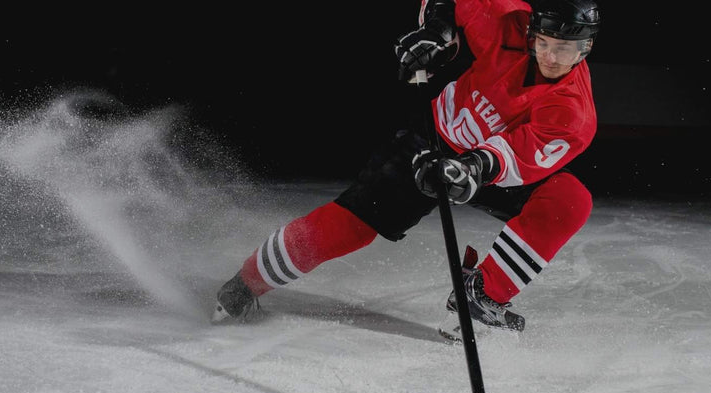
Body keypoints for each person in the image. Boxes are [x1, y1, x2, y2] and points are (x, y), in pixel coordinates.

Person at [211, 0, 600, 342]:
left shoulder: (574, 110)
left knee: (568, 200)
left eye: (563, 50)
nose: (549, 57)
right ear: (532, 32)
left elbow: (521, 154)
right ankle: (243, 286)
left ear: (586, 49)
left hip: (488, 170)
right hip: (429, 146)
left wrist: (471, 168)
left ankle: (482, 294)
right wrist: (436, 31)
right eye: (543, 43)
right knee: (348, 227)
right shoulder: (510, 23)